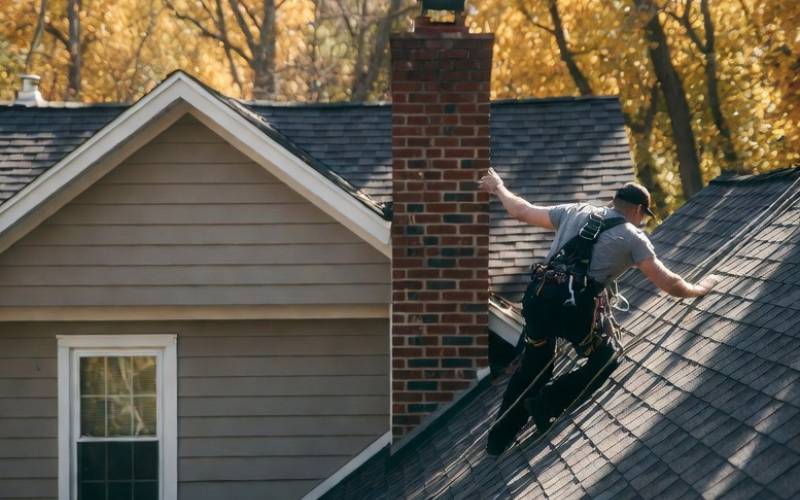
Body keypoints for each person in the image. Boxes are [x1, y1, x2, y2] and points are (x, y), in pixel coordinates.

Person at [479, 167, 719, 456]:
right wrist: (700, 288)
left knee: (534, 363)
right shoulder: (633, 237)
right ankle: (546, 402)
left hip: (537, 298)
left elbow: (521, 211)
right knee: (604, 359)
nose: (642, 221)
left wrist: (499, 187)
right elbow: (670, 283)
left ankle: (497, 441)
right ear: (639, 210)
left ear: (613, 201)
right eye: (644, 216)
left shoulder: (575, 210)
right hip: (570, 310)